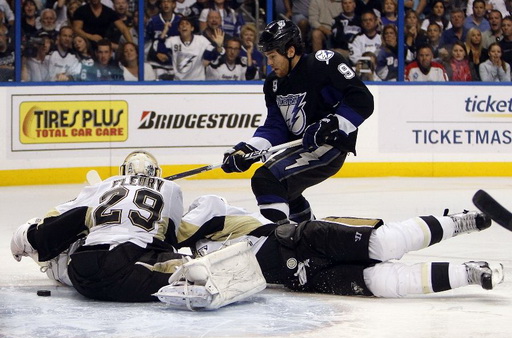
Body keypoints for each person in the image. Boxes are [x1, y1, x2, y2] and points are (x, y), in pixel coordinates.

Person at [173, 195, 503, 302]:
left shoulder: (210, 214)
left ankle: (459, 222)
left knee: (384, 242)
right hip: (305, 279)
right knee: (386, 284)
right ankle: (469, 273)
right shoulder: (182, 263)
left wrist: (164, 232)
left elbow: (188, 222)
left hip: (306, 237)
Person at [221, 20, 374, 225]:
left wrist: (332, 124)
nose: (270, 63)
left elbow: (362, 99)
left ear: (291, 50)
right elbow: (276, 125)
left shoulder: (321, 64)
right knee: (286, 192)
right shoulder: (274, 83)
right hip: (303, 146)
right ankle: (308, 237)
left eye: (273, 56)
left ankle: (279, 244)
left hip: (328, 146)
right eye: (268, 57)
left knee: (267, 179)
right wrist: (249, 150)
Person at [11, 151, 186, 302]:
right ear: (156, 172)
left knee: (82, 230)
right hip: (130, 270)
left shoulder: (102, 186)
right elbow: (172, 238)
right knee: (187, 267)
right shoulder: (170, 188)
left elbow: (56, 216)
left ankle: (53, 259)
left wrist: (30, 234)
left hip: (83, 274)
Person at [164, 16, 225, 80]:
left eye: (187, 24)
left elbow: (212, 55)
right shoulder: (172, 41)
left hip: (197, 82)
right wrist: (165, 31)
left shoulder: (201, 40)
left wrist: (219, 46)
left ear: (192, 28)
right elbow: (159, 51)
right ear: (179, 29)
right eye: (182, 24)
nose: (184, 26)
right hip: (178, 83)